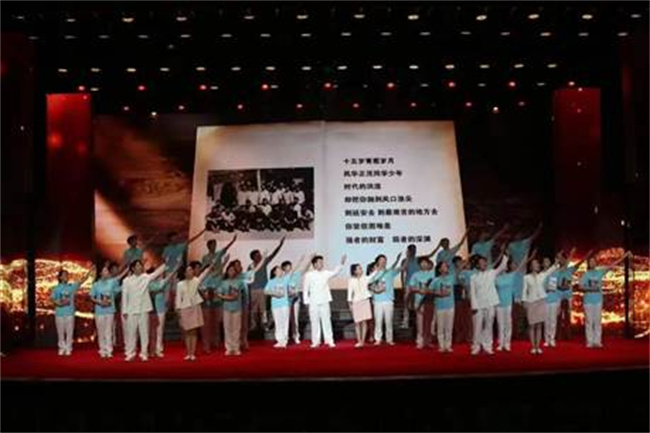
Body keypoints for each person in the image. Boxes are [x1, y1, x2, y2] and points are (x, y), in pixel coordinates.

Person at [576, 251, 631, 348]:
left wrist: (625, 255)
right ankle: (589, 341)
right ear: (588, 264)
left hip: (598, 300)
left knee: (597, 321)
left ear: (596, 263)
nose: (592, 263)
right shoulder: (585, 274)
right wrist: (590, 289)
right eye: (590, 262)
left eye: (593, 261)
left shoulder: (600, 272)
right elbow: (580, 286)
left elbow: (613, 264)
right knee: (589, 322)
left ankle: (597, 341)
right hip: (588, 301)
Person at [543, 248, 590, 348]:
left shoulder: (569, 269)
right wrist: (570, 254)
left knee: (567, 316)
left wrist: (584, 256)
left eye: (563, 259)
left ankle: (567, 335)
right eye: (560, 259)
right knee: (556, 317)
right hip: (557, 296)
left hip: (568, 296)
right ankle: (555, 336)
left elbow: (579, 263)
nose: (562, 261)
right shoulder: (556, 271)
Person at [121, 260, 166, 362]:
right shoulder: (126, 281)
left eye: (140, 265)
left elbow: (156, 273)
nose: (139, 267)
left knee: (144, 332)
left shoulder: (145, 277)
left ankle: (144, 353)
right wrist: (124, 311)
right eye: (137, 266)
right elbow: (125, 296)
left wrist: (165, 264)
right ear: (133, 268)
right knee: (131, 332)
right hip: (131, 309)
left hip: (143, 309)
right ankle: (130, 353)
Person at [199, 236, 237, 353]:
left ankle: (216, 341)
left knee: (216, 321)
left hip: (217, 297)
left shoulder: (219, 272)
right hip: (206, 299)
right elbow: (201, 286)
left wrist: (232, 241)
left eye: (215, 245)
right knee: (207, 322)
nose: (214, 247)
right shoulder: (204, 267)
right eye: (212, 245)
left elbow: (225, 249)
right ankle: (207, 344)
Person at [469, 246, 508, 355]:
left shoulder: (491, 273)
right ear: (477, 265)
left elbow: (502, 266)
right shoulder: (473, 277)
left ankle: (487, 346)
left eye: (485, 262)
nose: (484, 264)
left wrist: (505, 255)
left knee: (489, 325)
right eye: (481, 262)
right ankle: (476, 346)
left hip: (491, 303)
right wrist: (474, 306)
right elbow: (472, 293)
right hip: (479, 304)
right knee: (477, 326)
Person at [175, 260, 217, 361]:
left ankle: (192, 353)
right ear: (184, 273)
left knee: (193, 332)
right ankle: (188, 353)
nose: (191, 271)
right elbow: (178, 298)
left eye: (191, 270)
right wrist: (178, 310)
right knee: (187, 332)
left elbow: (204, 273)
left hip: (195, 307)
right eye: (188, 270)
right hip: (184, 308)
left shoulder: (196, 280)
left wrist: (211, 265)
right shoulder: (180, 284)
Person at [507, 223, 543, 339]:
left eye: (520, 234)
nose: (519, 236)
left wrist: (539, 228)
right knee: (514, 313)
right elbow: (507, 255)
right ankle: (515, 332)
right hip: (513, 294)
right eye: (517, 234)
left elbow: (533, 237)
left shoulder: (525, 243)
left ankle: (524, 330)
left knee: (524, 311)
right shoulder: (511, 246)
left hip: (522, 283)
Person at [303, 254, 346, 348]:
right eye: (319, 262)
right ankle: (316, 341)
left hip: (324, 300)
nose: (321, 264)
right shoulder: (309, 275)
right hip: (313, 301)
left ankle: (329, 340)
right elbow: (305, 289)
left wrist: (341, 264)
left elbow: (335, 272)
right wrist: (306, 302)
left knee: (326, 321)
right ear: (314, 264)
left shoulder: (325, 273)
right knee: (314, 322)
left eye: (322, 262)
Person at [51, 266, 95, 356]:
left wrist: (90, 271)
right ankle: (61, 348)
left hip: (69, 313)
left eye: (67, 275)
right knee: (60, 332)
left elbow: (82, 280)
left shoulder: (71, 287)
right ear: (60, 277)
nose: (66, 277)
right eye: (64, 275)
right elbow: (53, 299)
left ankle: (68, 348)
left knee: (69, 332)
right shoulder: (56, 288)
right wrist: (59, 303)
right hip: (59, 313)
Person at [217, 261, 259, 356]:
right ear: (227, 272)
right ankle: (228, 348)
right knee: (227, 328)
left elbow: (242, 294)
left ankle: (236, 348)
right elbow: (219, 294)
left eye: (233, 270)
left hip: (237, 307)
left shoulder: (240, 282)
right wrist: (225, 297)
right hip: (226, 307)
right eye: (230, 270)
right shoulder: (223, 282)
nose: (231, 272)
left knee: (236, 328)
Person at [523, 256, 560, 355]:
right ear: (531, 266)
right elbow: (524, 291)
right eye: (535, 264)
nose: (537, 265)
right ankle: (533, 347)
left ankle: (538, 347)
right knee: (532, 325)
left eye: (537, 264)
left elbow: (551, 270)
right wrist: (524, 301)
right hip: (531, 302)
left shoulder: (542, 275)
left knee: (539, 325)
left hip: (541, 301)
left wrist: (556, 263)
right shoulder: (526, 277)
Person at [494, 252, 531, 352]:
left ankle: (507, 343)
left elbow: (521, 265)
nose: (504, 267)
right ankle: (500, 343)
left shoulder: (511, 275)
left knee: (508, 323)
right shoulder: (496, 277)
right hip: (498, 304)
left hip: (508, 303)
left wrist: (526, 256)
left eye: (505, 265)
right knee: (500, 324)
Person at [247, 237, 285, 333]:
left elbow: (273, 255)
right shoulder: (250, 267)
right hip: (253, 290)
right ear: (253, 257)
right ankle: (253, 325)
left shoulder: (264, 262)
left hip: (263, 289)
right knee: (254, 309)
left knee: (263, 309)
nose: (260, 256)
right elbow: (248, 279)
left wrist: (280, 245)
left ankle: (264, 325)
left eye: (260, 254)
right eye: (257, 255)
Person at [90, 263, 127, 358]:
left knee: (109, 331)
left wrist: (128, 270)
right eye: (105, 271)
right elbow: (92, 297)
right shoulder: (96, 284)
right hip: (99, 311)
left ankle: (109, 350)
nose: (107, 272)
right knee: (101, 331)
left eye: (107, 271)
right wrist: (99, 302)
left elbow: (120, 278)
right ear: (100, 273)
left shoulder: (112, 282)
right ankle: (102, 350)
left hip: (110, 310)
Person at [400, 243, 441, 329]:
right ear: (408, 250)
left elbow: (431, 255)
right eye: (411, 250)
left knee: (420, 302)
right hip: (408, 284)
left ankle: (423, 322)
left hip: (419, 283)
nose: (413, 251)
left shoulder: (419, 259)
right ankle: (405, 321)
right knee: (406, 302)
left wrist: (438, 246)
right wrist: (403, 285)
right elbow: (402, 273)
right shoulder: (404, 260)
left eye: (414, 249)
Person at [369, 253, 404, 346]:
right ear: (377, 262)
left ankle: (389, 339)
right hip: (377, 300)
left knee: (389, 321)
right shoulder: (374, 274)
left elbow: (402, 268)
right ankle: (378, 339)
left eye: (384, 261)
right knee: (378, 321)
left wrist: (403, 259)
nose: (383, 262)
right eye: (381, 261)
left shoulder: (390, 272)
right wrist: (376, 290)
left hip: (388, 300)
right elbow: (369, 284)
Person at [147, 264, 180, 358]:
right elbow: (158, 287)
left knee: (159, 330)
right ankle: (150, 349)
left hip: (161, 309)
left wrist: (176, 268)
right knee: (150, 331)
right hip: (151, 310)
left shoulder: (162, 282)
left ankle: (158, 349)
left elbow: (169, 278)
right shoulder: (148, 283)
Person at [282, 256, 312, 345]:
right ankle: (285, 337)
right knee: (286, 319)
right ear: (284, 268)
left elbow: (305, 269)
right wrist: (299, 261)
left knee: (295, 319)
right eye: (288, 266)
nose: (290, 267)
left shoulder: (296, 274)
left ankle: (296, 336)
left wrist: (310, 260)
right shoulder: (283, 277)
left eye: (290, 266)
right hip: (286, 300)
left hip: (296, 298)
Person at [347, 263, 378, 348]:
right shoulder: (351, 280)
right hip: (356, 302)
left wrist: (376, 269)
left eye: (361, 268)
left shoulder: (365, 278)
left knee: (364, 322)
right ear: (355, 271)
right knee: (357, 323)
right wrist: (350, 304)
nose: (361, 269)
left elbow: (372, 276)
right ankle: (359, 340)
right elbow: (349, 293)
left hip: (365, 301)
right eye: (359, 268)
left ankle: (362, 341)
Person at [408, 257, 435, 349]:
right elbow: (411, 287)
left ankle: (428, 341)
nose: (423, 264)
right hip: (419, 301)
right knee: (420, 322)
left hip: (430, 301)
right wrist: (419, 290)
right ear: (419, 265)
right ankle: (420, 341)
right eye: (421, 263)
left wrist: (429, 290)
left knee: (430, 322)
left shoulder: (433, 274)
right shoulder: (415, 275)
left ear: (428, 263)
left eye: (425, 263)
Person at [264, 266, 293, 348]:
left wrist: (301, 261)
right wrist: (275, 293)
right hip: (275, 305)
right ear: (275, 272)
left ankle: (284, 340)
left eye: (281, 270)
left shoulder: (285, 279)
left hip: (284, 304)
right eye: (279, 270)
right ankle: (279, 340)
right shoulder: (271, 281)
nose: (280, 271)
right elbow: (265, 291)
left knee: (285, 322)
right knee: (278, 322)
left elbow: (291, 272)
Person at [432, 261, 456, 353]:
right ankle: (441, 346)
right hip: (440, 306)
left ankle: (448, 346)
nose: (445, 267)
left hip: (450, 305)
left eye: (446, 266)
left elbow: (459, 269)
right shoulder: (436, 280)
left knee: (449, 327)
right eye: (443, 266)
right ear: (439, 269)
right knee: (440, 327)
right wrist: (438, 293)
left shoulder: (451, 278)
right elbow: (428, 290)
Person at [455, 255, 478, 344]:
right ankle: (465, 336)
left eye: (469, 263)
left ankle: (472, 336)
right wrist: (465, 287)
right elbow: (459, 280)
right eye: (466, 263)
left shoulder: (476, 271)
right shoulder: (463, 272)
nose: (467, 264)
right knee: (465, 318)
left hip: (475, 297)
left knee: (474, 318)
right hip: (465, 297)